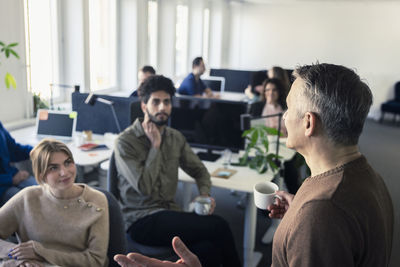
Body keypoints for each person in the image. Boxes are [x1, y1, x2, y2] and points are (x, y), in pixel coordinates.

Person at [113, 63, 394, 267]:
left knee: (215, 232)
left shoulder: (322, 211)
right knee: (209, 245)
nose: (282, 117)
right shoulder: (367, 179)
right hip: (143, 216)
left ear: (308, 122)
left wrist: (309, 216)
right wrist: (300, 209)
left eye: (288, 108)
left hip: (169, 211)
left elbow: (324, 218)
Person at [114, 75, 241, 267]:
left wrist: (205, 194)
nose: (162, 107)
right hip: (141, 219)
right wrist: (155, 146)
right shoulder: (125, 142)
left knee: (207, 248)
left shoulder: (175, 137)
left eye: (167, 102)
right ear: (143, 106)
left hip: (169, 212)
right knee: (218, 226)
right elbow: (145, 187)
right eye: (156, 102)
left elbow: (199, 170)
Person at [0, 139, 109, 267]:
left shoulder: (96, 200)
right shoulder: (27, 198)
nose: (64, 172)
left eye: (68, 163)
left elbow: (96, 260)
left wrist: (42, 253)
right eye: (53, 168)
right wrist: (18, 258)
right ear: (41, 175)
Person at [0, 121, 37, 206]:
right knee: (28, 202)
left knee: (45, 191)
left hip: (13, 175)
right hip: (3, 186)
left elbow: (14, 150)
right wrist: (10, 179)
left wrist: (37, 151)